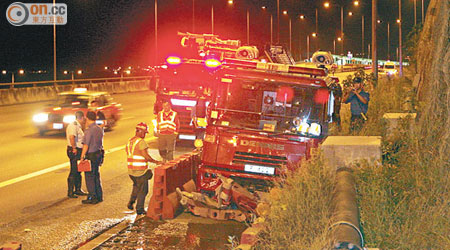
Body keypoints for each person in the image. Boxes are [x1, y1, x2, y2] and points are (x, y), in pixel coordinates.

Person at [126, 122, 162, 214]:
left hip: (131, 171)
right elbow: (146, 156)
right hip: (140, 171)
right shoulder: (141, 142)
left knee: (136, 186)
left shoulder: (130, 141)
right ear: (140, 131)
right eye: (144, 132)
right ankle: (140, 209)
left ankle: (131, 202)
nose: (145, 135)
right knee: (143, 190)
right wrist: (156, 162)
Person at [80, 111, 104, 204]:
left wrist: (82, 156)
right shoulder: (99, 129)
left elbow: (86, 145)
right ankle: (99, 195)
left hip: (91, 155)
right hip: (98, 154)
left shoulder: (89, 130)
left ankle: (92, 197)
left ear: (87, 118)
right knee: (96, 175)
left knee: (89, 176)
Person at [66, 111, 87, 198]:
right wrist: (74, 148)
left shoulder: (78, 125)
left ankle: (78, 189)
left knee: (78, 170)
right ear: (81, 117)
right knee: (74, 171)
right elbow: (72, 137)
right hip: (74, 150)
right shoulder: (73, 125)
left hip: (78, 150)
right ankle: (70, 192)